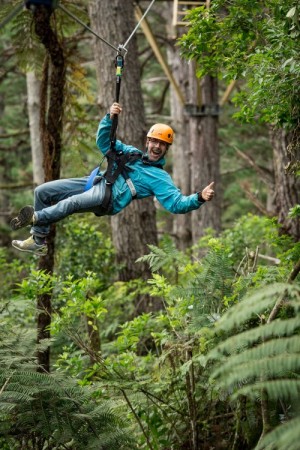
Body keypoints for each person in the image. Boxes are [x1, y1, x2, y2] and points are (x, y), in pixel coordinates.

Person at [11, 102, 215, 256]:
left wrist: (200, 197)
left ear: (166, 149)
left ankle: (37, 217)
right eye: (154, 141)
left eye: (162, 144)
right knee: (43, 191)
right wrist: (109, 117)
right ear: (147, 141)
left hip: (108, 198)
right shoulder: (132, 153)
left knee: (71, 203)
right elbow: (104, 142)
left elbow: (177, 204)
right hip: (96, 182)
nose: (156, 146)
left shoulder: (160, 178)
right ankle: (38, 239)